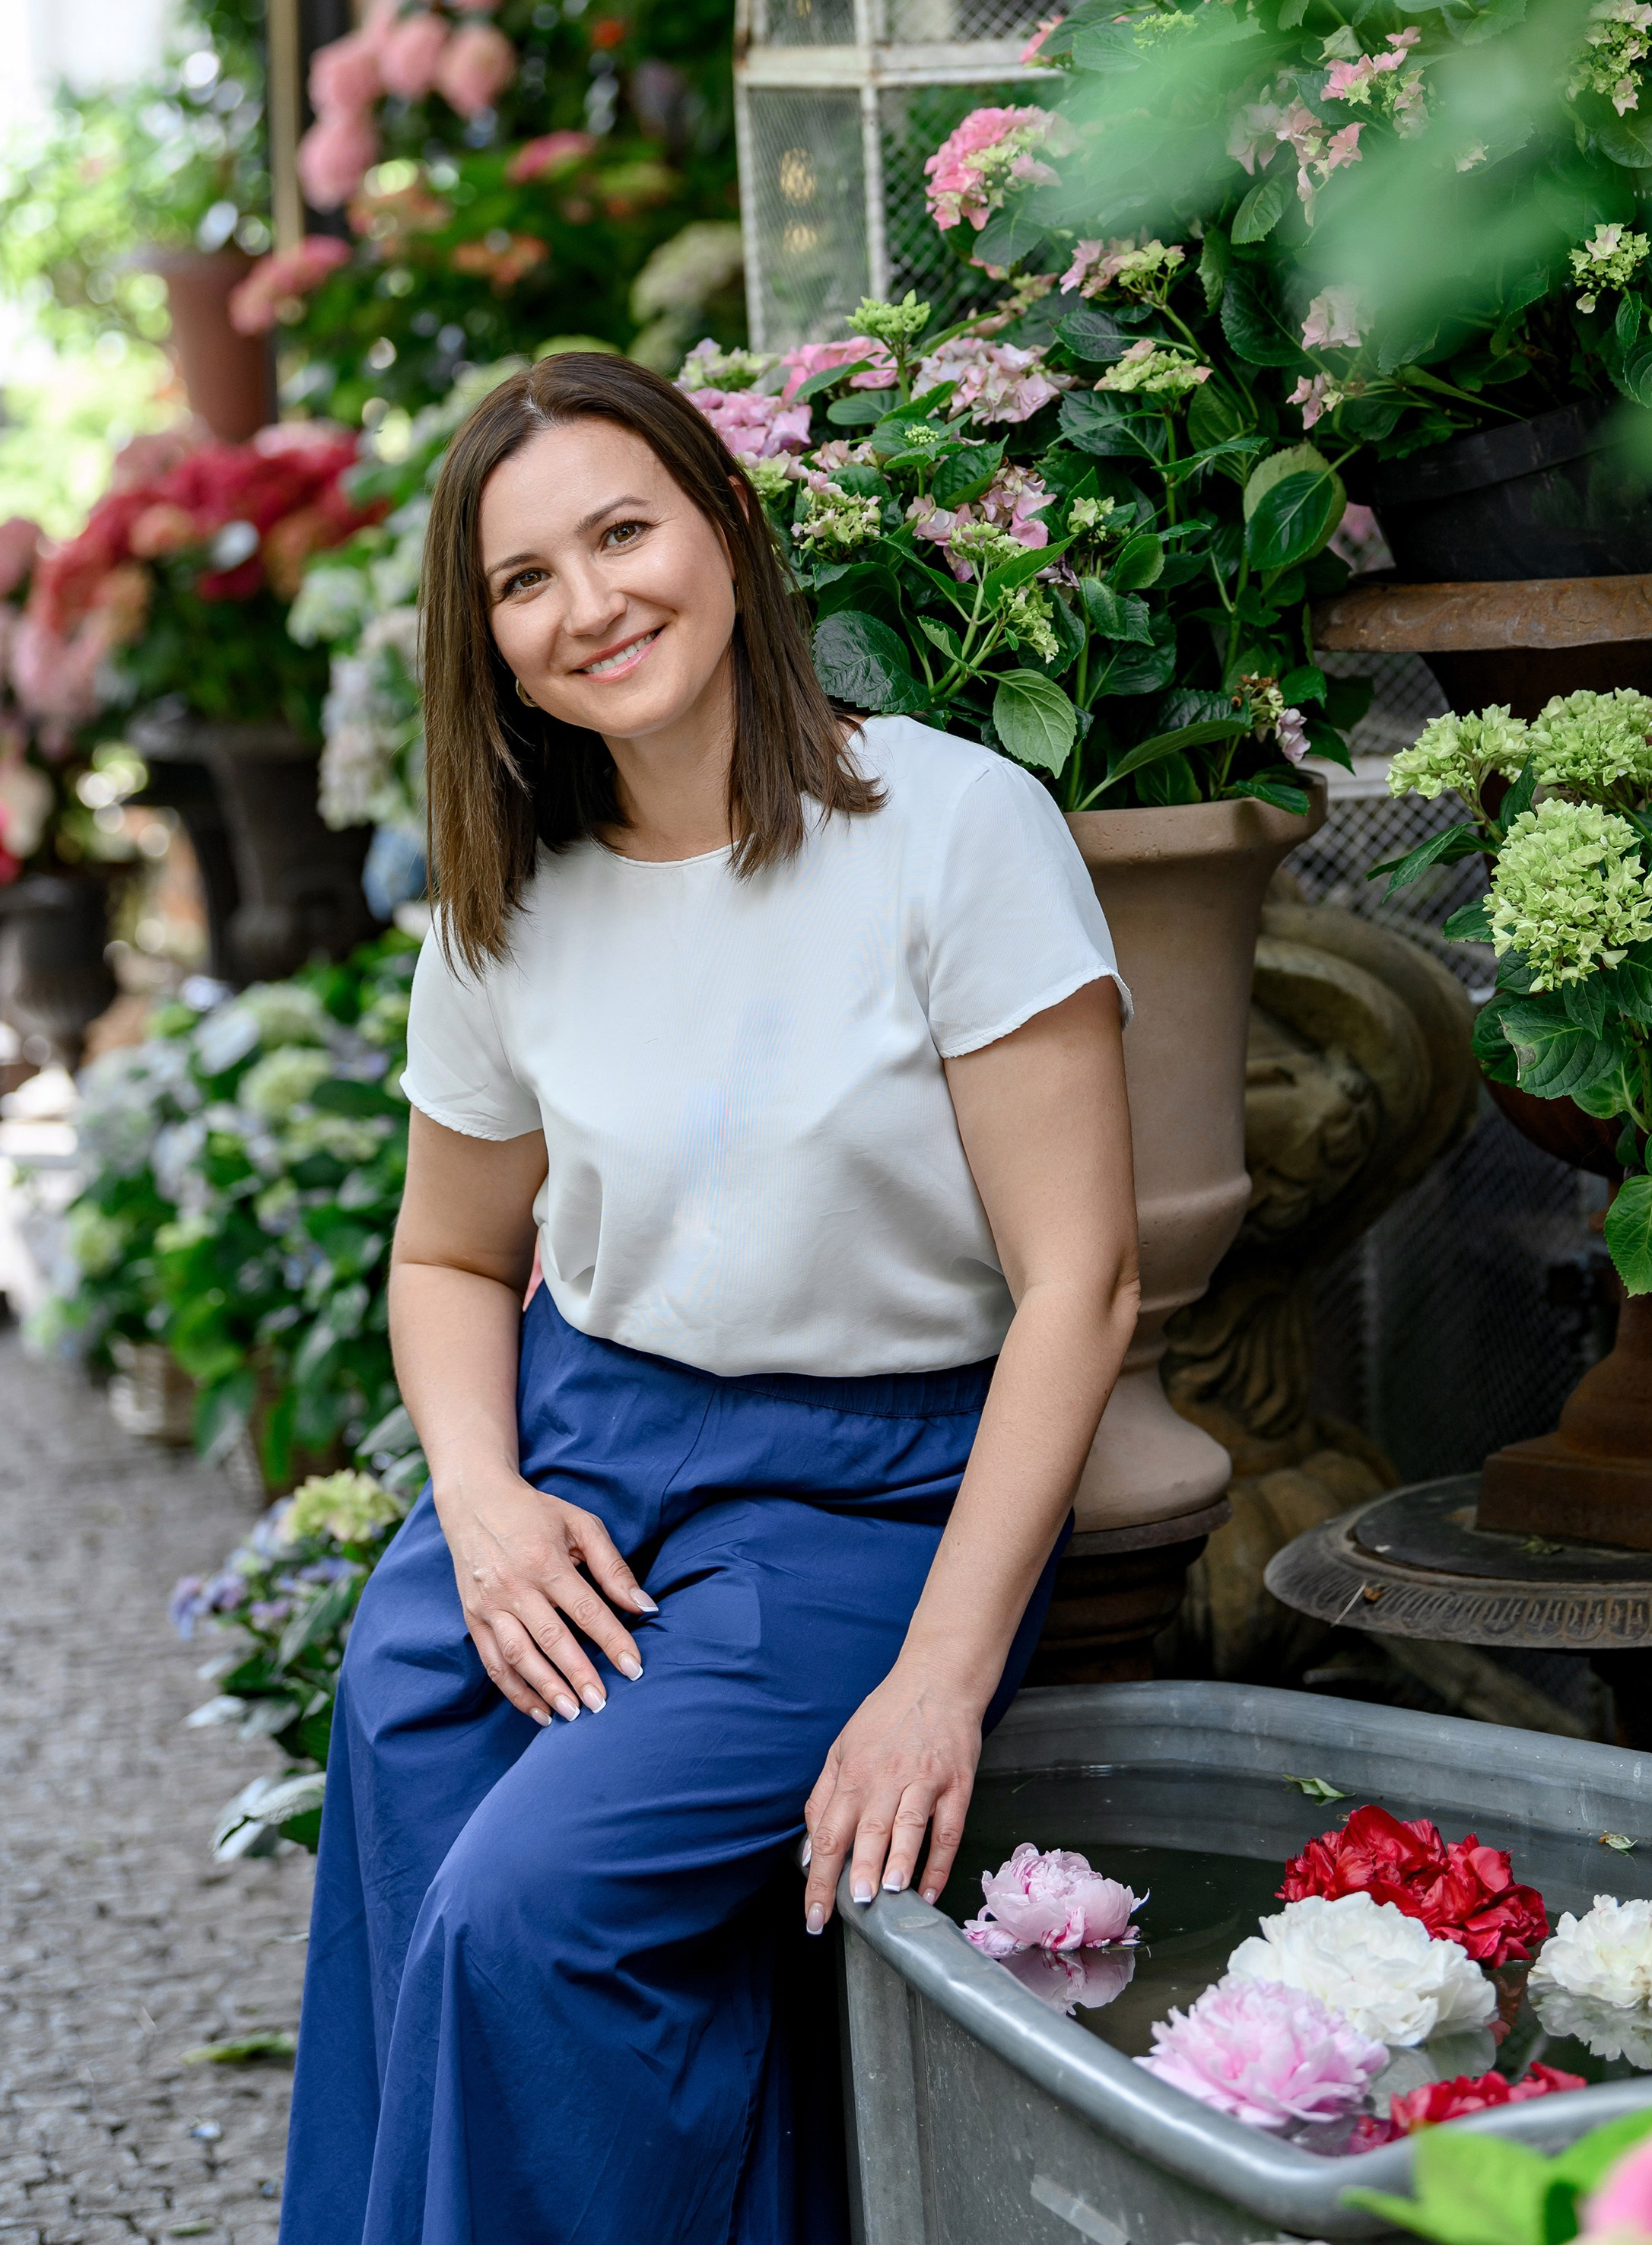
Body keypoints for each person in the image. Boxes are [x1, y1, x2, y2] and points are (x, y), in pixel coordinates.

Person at [279, 352, 1139, 2245]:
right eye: (524, 580)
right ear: (488, 643)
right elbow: (444, 1257)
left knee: (537, 1913)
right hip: (583, 1445)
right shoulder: (508, 899)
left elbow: (1082, 1282)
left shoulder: (948, 828)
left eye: (620, 531)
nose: (589, 604)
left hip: (867, 1493)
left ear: (725, 528)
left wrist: (938, 1680)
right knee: (412, 1736)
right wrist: (487, 1509)